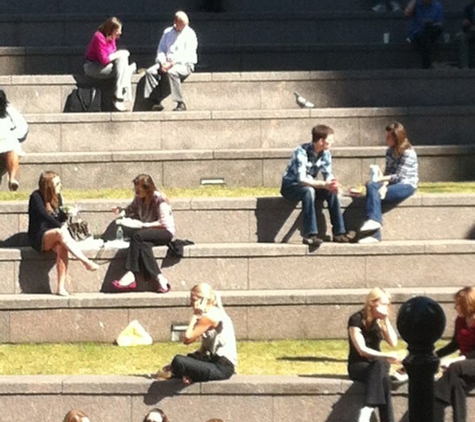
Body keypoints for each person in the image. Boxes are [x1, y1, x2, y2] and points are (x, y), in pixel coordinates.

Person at [280, 124, 356, 246]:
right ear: (321, 141)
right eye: (329, 141)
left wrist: (332, 184)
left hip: (309, 185)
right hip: (291, 186)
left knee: (330, 191)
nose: (332, 143)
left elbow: (328, 173)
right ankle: (310, 235)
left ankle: (339, 233)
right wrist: (322, 184)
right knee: (308, 191)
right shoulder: (301, 151)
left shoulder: (325, 152)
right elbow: (302, 179)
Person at [27, 171, 99, 296]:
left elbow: (58, 218)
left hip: (55, 233)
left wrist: (66, 214)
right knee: (60, 232)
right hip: (39, 236)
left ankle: (61, 287)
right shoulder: (36, 197)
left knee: (62, 247)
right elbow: (43, 216)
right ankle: (85, 261)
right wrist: (59, 224)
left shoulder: (58, 197)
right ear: (49, 185)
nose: (61, 186)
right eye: (57, 183)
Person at [158, 282, 237, 385]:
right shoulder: (210, 314)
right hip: (214, 361)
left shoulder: (210, 317)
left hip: (222, 367)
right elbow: (202, 350)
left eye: (194, 300)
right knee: (187, 359)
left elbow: (187, 339)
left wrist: (195, 316)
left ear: (203, 300)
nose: (191, 303)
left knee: (178, 361)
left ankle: (184, 373)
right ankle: (188, 374)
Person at [112, 174, 175, 293]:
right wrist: (120, 210)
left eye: (139, 190)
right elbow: (130, 210)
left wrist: (144, 225)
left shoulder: (160, 199)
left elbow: (164, 223)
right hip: (147, 233)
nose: (136, 193)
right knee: (144, 246)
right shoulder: (139, 199)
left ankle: (131, 273)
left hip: (164, 232)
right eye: (135, 190)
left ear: (148, 189)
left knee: (137, 235)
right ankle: (161, 279)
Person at [359, 122, 418, 244]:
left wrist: (381, 180)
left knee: (374, 193)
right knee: (371, 186)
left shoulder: (408, 153)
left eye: (389, 137)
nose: (386, 140)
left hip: (406, 185)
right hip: (392, 182)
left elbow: (399, 176)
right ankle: (375, 229)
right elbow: (389, 171)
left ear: (397, 138)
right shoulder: (389, 151)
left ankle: (375, 228)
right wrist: (384, 185)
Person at [347, 287, 399, 422]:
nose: (385, 307)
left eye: (387, 304)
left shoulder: (379, 321)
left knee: (382, 368)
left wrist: (386, 319)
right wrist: (386, 356)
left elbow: (393, 342)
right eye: (383, 304)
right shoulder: (356, 319)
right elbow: (361, 350)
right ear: (371, 303)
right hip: (359, 365)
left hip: (377, 365)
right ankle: (372, 409)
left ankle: (368, 408)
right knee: (384, 378)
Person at [433, 286, 475, 422]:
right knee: (457, 384)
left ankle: (436, 401)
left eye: (458, 304)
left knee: (455, 367)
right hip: (466, 364)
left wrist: (459, 359)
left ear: (467, 304)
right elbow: (455, 344)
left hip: (470, 361)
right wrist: (434, 355)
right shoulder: (460, 321)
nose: (455, 307)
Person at [143, 11, 198, 111]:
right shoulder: (167, 32)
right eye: (180, 24)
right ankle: (154, 101)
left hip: (184, 64)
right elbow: (161, 49)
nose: (183, 26)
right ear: (176, 22)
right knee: (150, 72)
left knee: (172, 72)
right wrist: (162, 62)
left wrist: (171, 64)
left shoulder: (190, 34)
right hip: (166, 62)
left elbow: (187, 55)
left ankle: (180, 102)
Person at [84, 16, 137, 111]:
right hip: (93, 67)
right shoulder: (98, 37)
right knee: (125, 65)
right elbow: (104, 59)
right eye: (117, 32)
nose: (119, 35)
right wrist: (119, 54)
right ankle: (118, 96)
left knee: (123, 60)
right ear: (110, 30)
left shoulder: (112, 38)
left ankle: (118, 95)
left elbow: (113, 55)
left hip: (106, 66)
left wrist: (120, 55)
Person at [0, 89, 28, 191]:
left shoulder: (8, 110)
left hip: (5, 145)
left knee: (12, 150)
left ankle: (12, 179)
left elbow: (22, 127)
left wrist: (9, 136)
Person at [405, 0, 444, 69]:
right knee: (425, 39)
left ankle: (428, 65)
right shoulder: (415, 4)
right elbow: (407, 14)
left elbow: (440, 23)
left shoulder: (437, 5)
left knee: (432, 32)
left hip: (431, 32)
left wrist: (431, 24)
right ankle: (428, 65)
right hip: (417, 33)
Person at [456, 0, 475, 68]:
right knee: (462, 38)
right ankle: (464, 66)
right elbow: (465, 21)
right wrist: (466, 23)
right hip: (470, 30)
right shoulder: (468, 8)